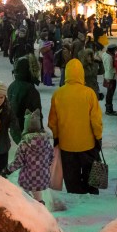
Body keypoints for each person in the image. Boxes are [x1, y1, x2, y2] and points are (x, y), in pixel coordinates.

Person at [48, 58, 103, 194]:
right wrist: (98, 137)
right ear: (81, 74)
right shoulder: (89, 93)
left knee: (72, 178)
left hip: (67, 145)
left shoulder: (58, 94)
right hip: (88, 145)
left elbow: (52, 122)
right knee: (91, 176)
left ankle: (77, 199)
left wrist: (56, 137)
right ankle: (92, 197)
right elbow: (96, 120)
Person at [3, 109, 53, 204]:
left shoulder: (24, 144)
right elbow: (51, 158)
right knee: (37, 193)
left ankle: (30, 212)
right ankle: (41, 209)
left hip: (28, 178)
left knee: (26, 196)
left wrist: (7, 170)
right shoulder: (46, 142)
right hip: (43, 176)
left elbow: (18, 162)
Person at [8, 57, 42, 134]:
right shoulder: (30, 89)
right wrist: (41, 128)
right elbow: (37, 110)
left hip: (15, 127)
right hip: (29, 128)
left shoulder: (11, 86)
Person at [102, 43, 117, 115]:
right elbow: (110, 68)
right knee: (110, 94)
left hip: (107, 75)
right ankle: (109, 110)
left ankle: (109, 109)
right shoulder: (109, 57)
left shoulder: (105, 54)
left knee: (109, 93)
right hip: (111, 77)